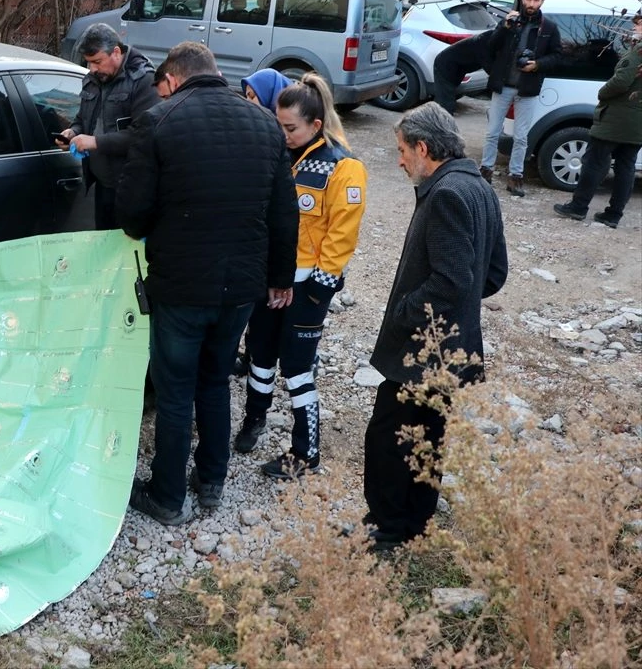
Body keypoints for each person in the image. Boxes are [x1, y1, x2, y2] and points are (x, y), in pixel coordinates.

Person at [115, 41, 299, 525]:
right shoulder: (266, 125)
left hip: (181, 285)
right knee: (215, 381)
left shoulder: (158, 121)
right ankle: (212, 481)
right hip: (241, 286)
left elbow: (132, 216)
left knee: (176, 391)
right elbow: (284, 214)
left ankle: (168, 496)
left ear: (173, 79)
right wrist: (280, 277)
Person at [363, 102, 508, 551]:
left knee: (389, 441)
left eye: (403, 150)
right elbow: (493, 274)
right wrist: (461, 308)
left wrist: (408, 310)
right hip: (452, 347)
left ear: (424, 148)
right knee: (428, 438)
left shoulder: (445, 194)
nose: (401, 160)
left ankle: (387, 530)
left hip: (423, 351)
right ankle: (416, 525)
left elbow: (453, 280)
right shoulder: (477, 186)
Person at [234, 73, 368, 480]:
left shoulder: (343, 168)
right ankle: (254, 419)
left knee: (297, 367)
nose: (283, 134)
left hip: (307, 289)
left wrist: (316, 290)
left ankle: (306, 451)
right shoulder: (276, 157)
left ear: (315, 124)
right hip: (268, 280)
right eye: (278, 125)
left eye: (290, 128)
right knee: (260, 354)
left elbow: (340, 237)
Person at [56, 23, 161, 228]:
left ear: (115, 52)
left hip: (131, 186)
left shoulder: (144, 80)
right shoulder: (95, 77)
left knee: (126, 251)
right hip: (102, 183)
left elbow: (144, 136)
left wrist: (95, 142)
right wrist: (74, 132)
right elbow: (83, 118)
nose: (92, 69)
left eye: (97, 62)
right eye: (88, 63)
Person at [553, 14, 642, 229]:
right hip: (637, 123)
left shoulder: (638, 53)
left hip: (616, 120)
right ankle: (613, 215)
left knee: (594, 163)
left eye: (638, 24)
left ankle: (578, 207)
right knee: (626, 168)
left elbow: (621, 81)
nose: (634, 27)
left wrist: (603, 92)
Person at [481, 0, 559, 197]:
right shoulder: (511, 22)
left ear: (542, 2)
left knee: (522, 137)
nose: (532, 4)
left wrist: (538, 65)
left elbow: (558, 56)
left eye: (536, 0)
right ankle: (485, 171)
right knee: (492, 132)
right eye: (529, 0)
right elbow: (491, 46)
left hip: (527, 88)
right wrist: (504, 27)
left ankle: (516, 176)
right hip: (504, 85)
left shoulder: (549, 27)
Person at [431, 27, 495, 114]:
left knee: (445, 97)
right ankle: (441, 122)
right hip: (444, 65)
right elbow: (491, 69)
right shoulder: (483, 43)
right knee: (445, 104)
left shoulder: (490, 39)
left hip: (458, 68)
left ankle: (436, 116)